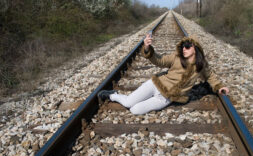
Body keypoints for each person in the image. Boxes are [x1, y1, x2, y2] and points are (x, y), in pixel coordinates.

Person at [98, 33, 229, 115]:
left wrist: (219, 87)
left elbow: (210, 76)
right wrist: (148, 49)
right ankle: (114, 96)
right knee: (128, 103)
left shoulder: (201, 65)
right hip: (155, 85)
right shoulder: (176, 57)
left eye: (188, 46)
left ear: (196, 48)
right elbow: (159, 60)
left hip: (165, 98)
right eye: (183, 45)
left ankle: (129, 98)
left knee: (134, 110)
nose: (184, 48)